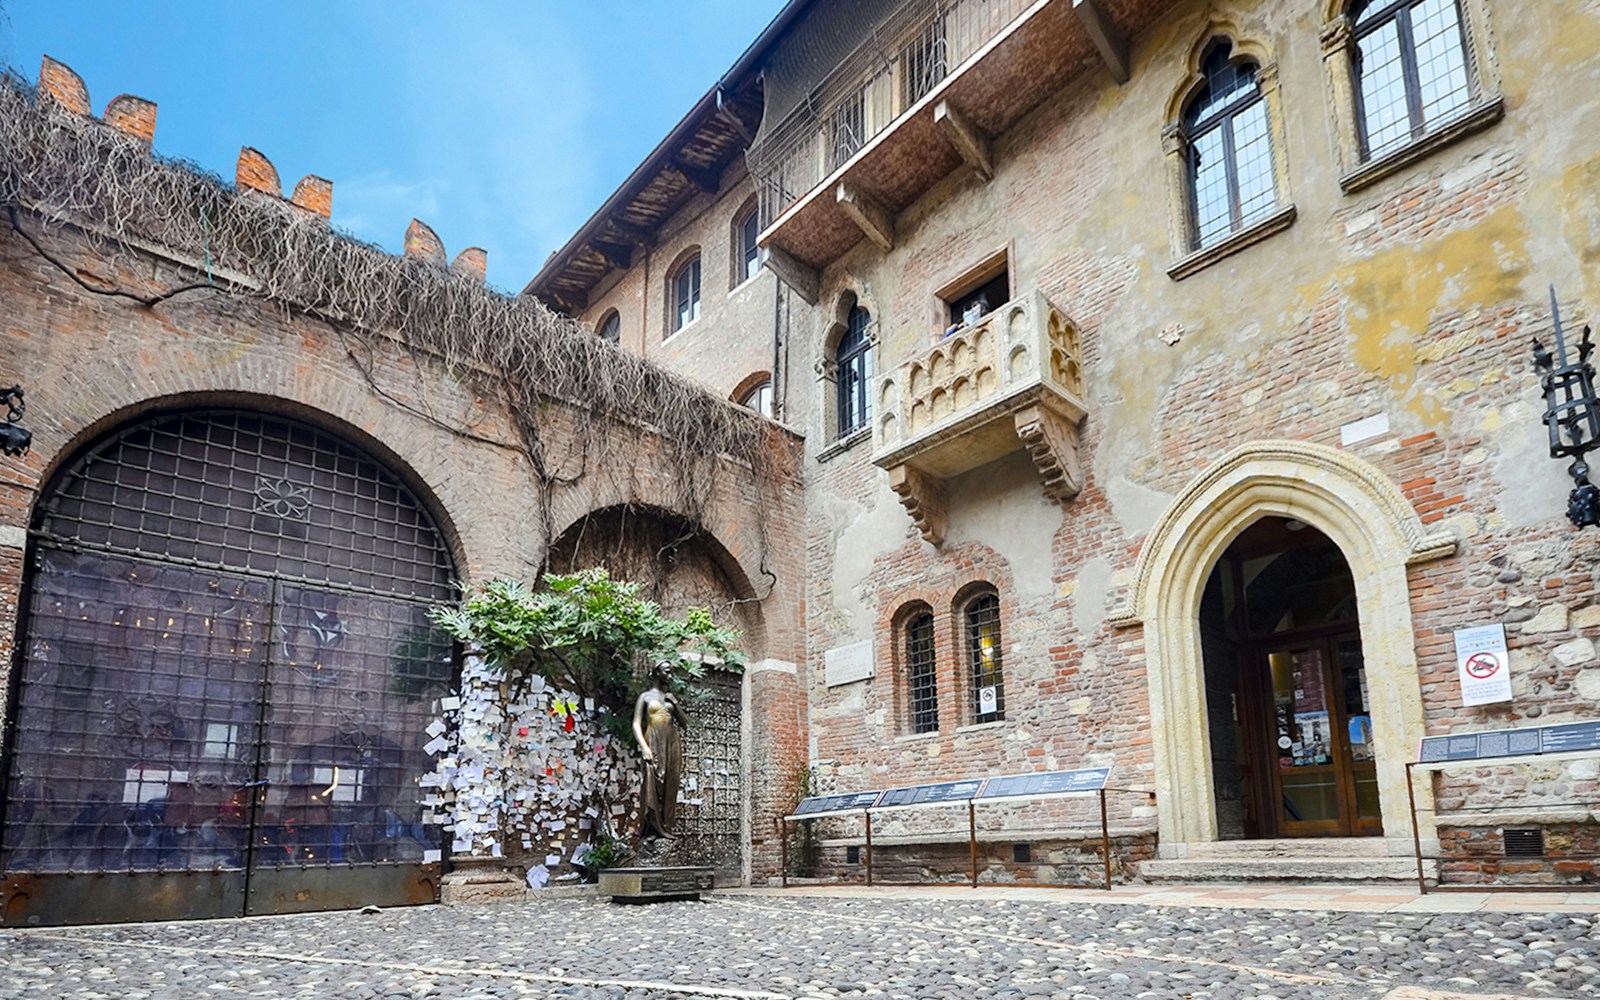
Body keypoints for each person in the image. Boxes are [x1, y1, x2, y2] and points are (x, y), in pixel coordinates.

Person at [632, 659, 688, 840]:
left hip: (671, 741)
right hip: (653, 740)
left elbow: (684, 723)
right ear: (657, 673)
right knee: (654, 782)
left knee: (671, 784)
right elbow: (635, 724)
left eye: (671, 672)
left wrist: (676, 704)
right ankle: (653, 829)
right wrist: (644, 747)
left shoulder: (669, 697)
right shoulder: (645, 697)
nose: (670, 676)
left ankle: (667, 827)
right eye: (667, 671)